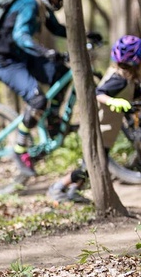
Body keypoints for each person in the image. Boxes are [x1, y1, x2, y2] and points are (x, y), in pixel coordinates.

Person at [0, 0, 67, 175]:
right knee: (38, 99)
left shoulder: (40, 6)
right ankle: (19, 150)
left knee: (61, 71)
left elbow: (57, 29)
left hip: (21, 57)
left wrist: (86, 36)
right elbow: (20, 36)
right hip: (2, 61)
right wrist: (45, 52)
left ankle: (52, 120)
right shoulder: (29, 4)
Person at [47, 35, 141, 203]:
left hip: (106, 134)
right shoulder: (118, 79)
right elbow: (99, 93)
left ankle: (73, 192)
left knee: (92, 167)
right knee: (89, 167)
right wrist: (112, 101)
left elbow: (133, 95)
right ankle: (58, 187)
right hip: (98, 132)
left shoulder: (126, 79)